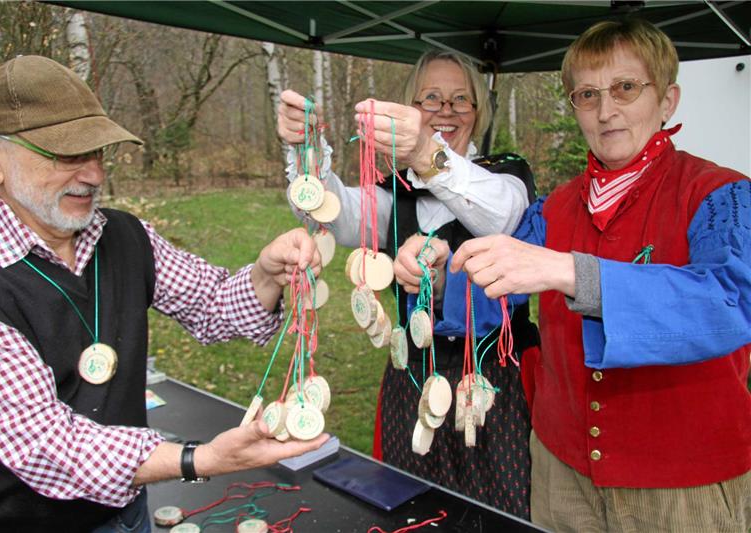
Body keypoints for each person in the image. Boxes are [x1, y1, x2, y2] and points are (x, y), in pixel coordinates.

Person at [0, 55, 328, 533]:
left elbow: (212, 303)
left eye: (97, 152)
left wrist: (266, 275)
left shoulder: (124, 235)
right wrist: (199, 459)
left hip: (126, 515)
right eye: (66, 154)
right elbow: (49, 446)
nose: (94, 175)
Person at [449, 19, 751, 531]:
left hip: (682, 486)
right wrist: (440, 268)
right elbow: (485, 299)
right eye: (587, 95)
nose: (606, 111)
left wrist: (572, 272)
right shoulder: (556, 207)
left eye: (625, 88)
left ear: (668, 100)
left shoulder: (720, 194)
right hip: (560, 470)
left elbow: (731, 302)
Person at [277, 50, 540, 518]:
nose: (446, 111)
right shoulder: (397, 190)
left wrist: (425, 153)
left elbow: (503, 216)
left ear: (478, 110)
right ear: (411, 108)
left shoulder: (505, 175)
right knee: (408, 508)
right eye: (431, 98)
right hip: (412, 376)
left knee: (499, 512)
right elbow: (337, 214)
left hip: (496, 382)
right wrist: (308, 153)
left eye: (461, 99)